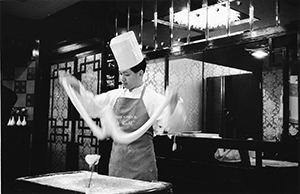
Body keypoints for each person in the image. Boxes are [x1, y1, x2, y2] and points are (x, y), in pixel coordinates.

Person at [59, 31, 186, 182]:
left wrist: (172, 107)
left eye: (126, 75)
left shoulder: (151, 98)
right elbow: (91, 106)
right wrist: (77, 87)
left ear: (140, 74)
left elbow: (171, 125)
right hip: (117, 165)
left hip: (141, 168)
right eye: (121, 74)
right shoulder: (115, 96)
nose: (122, 79)